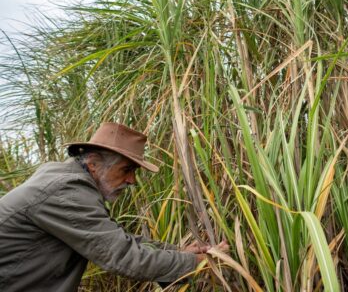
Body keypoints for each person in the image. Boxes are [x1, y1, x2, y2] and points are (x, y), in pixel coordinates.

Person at [0, 122, 227, 292]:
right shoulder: (65, 192)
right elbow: (121, 256)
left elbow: (115, 239)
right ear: (94, 164)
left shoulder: (67, 183)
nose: (132, 180)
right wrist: (194, 263)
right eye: (126, 169)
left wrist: (176, 252)